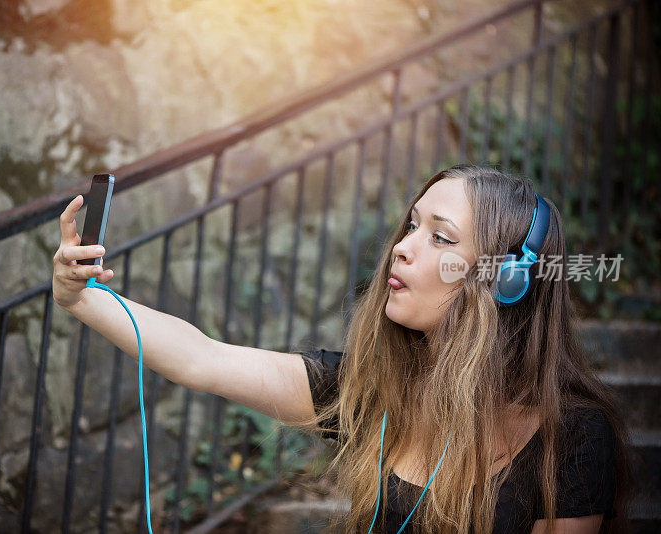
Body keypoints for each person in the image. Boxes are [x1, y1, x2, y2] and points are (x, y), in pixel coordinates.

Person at [52, 164, 632, 533]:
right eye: (410, 224)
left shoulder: (572, 436)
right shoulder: (369, 391)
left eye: (440, 236)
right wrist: (82, 300)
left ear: (503, 280)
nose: (401, 248)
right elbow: (203, 358)